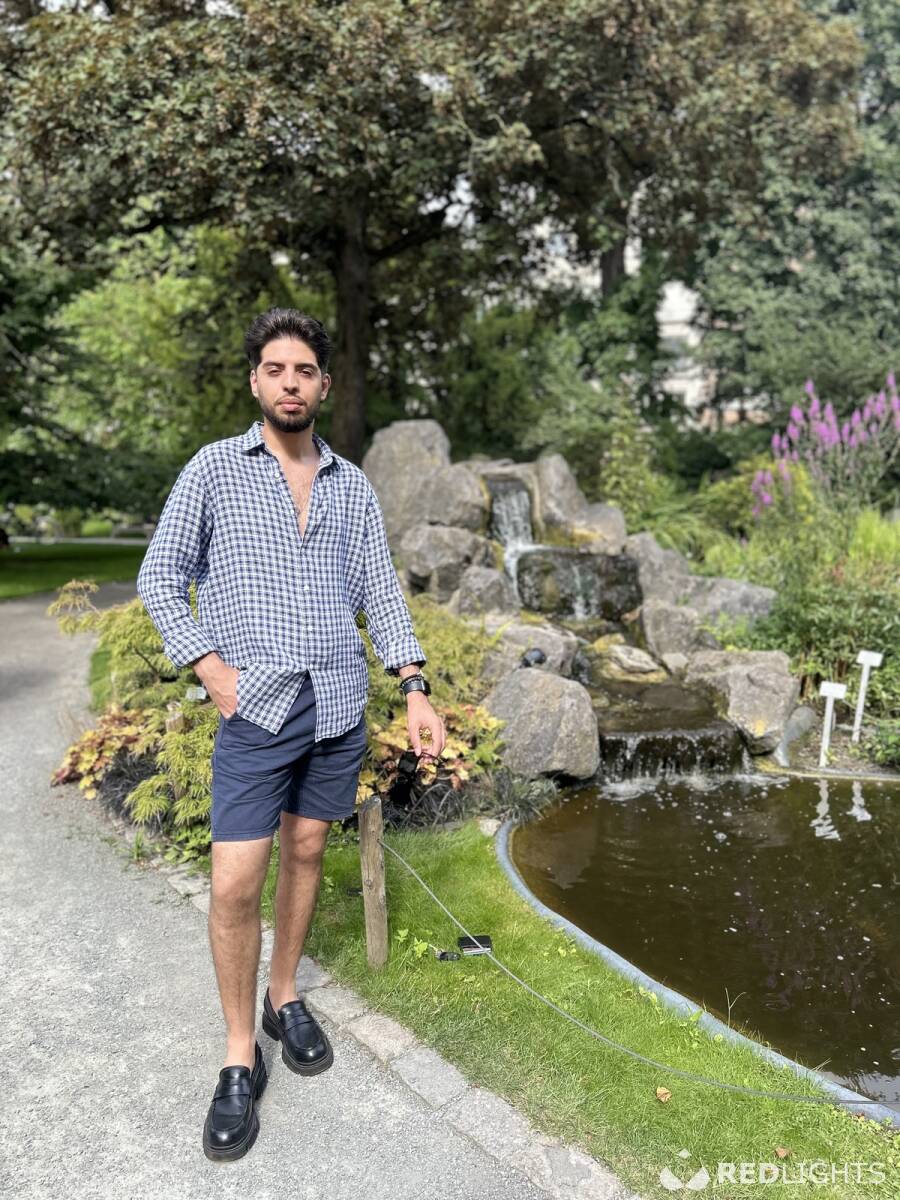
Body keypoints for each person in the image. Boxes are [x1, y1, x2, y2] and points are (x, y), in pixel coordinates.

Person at [136, 307, 445, 1162]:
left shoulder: (350, 485)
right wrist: (209, 667)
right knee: (236, 882)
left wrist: (414, 687)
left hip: (337, 705)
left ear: (324, 385)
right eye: (275, 368)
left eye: (304, 370)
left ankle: (283, 996)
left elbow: (379, 592)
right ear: (255, 381)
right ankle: (239, 1055)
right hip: (255, 711)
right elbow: (160, 576)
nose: (290, 382)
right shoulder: (215, 470)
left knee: (306, 850)